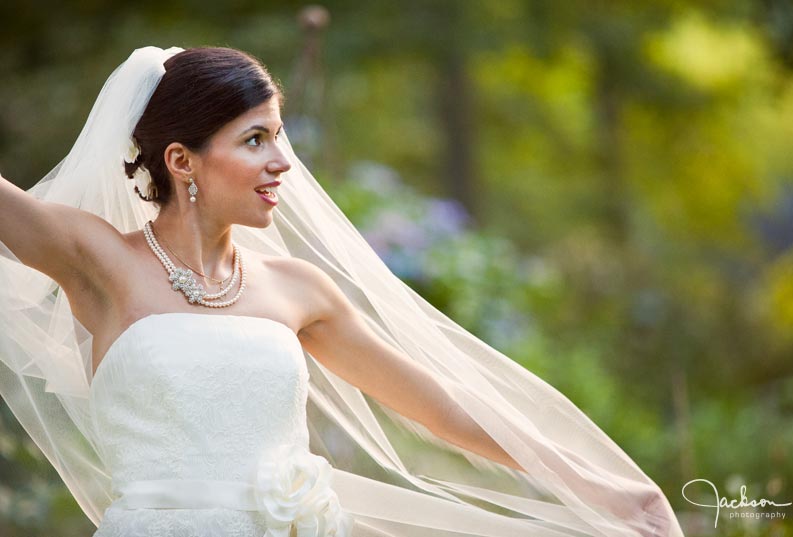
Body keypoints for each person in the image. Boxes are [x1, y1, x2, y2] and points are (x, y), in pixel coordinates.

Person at [0, 46, 685, 537]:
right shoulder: (97, 261)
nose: (283, 161)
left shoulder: (299, 290)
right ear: (182, 161)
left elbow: (444, 409)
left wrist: (595, 487)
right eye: (256, 139)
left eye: (280, 134)